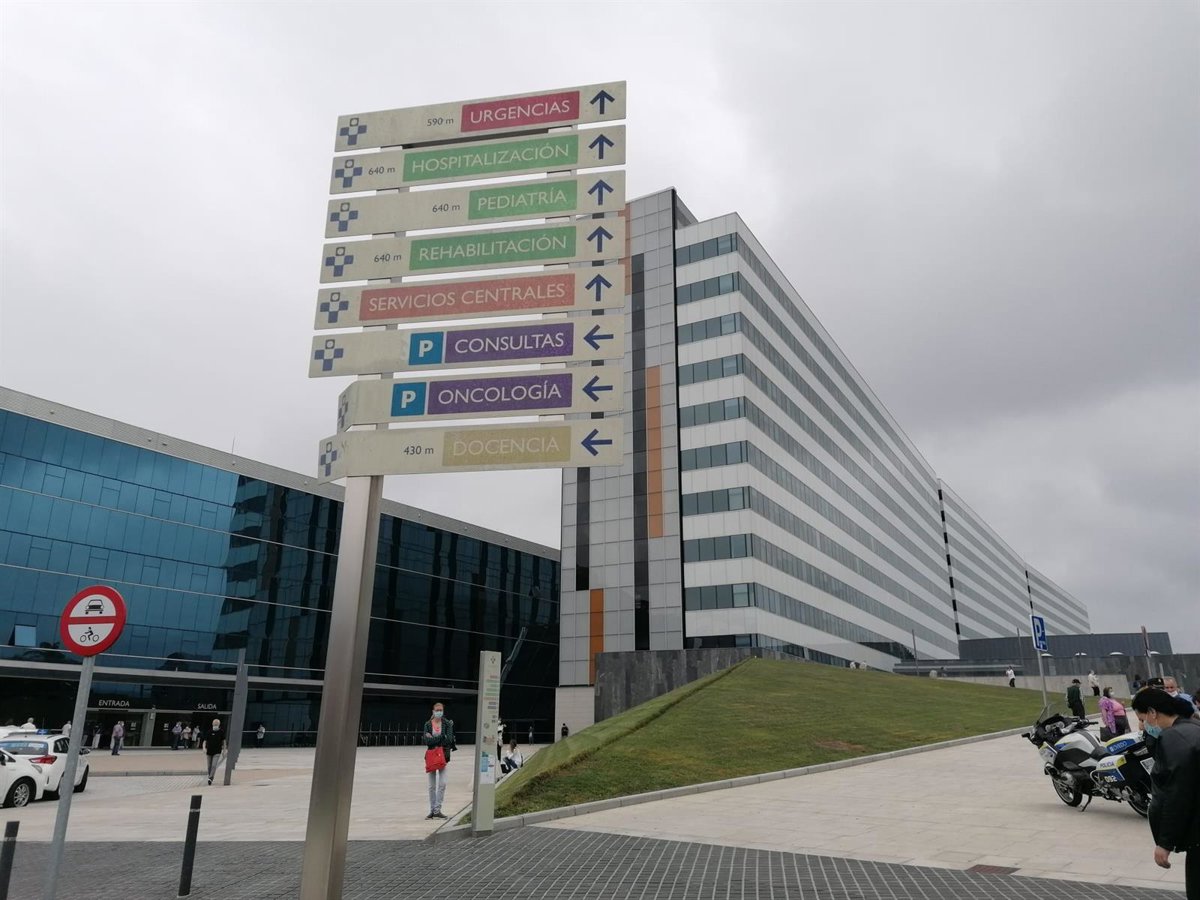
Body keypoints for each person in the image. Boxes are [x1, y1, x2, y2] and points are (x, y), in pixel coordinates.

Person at [1130, 687, 1200, 898]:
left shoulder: (1173, 737)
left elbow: (1177, 794)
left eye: (1143, 719)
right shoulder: (1193, 727)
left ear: (1153, 712)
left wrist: (1165, 843)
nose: (1144, 725)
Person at [422, 702, 456, 820]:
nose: (439, 712)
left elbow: (449, 740)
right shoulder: (427, 724)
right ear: (433, 711)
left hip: (443, 756)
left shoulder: (447, 724)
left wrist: (434, 738)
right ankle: (432, 810)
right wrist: (442, 737)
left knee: (442, 783)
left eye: (441, 710)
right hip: (431, 756)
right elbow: (427, 741)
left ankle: (437, 809)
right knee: (431, 785)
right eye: (437, 710)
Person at [203, 718, 226, 785]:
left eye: (216, 724)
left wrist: (224, 750)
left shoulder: (221, 732)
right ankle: (210, 776)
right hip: (209, 751)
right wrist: (204, 748)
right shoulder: (209, 732)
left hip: (217, 751)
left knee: (214, 765)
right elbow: (205, 741)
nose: (215, 725)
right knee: (209, 766)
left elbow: (224, 742)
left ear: (219, 724)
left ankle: (210, 778)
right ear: (212, 724)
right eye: (214, 724)